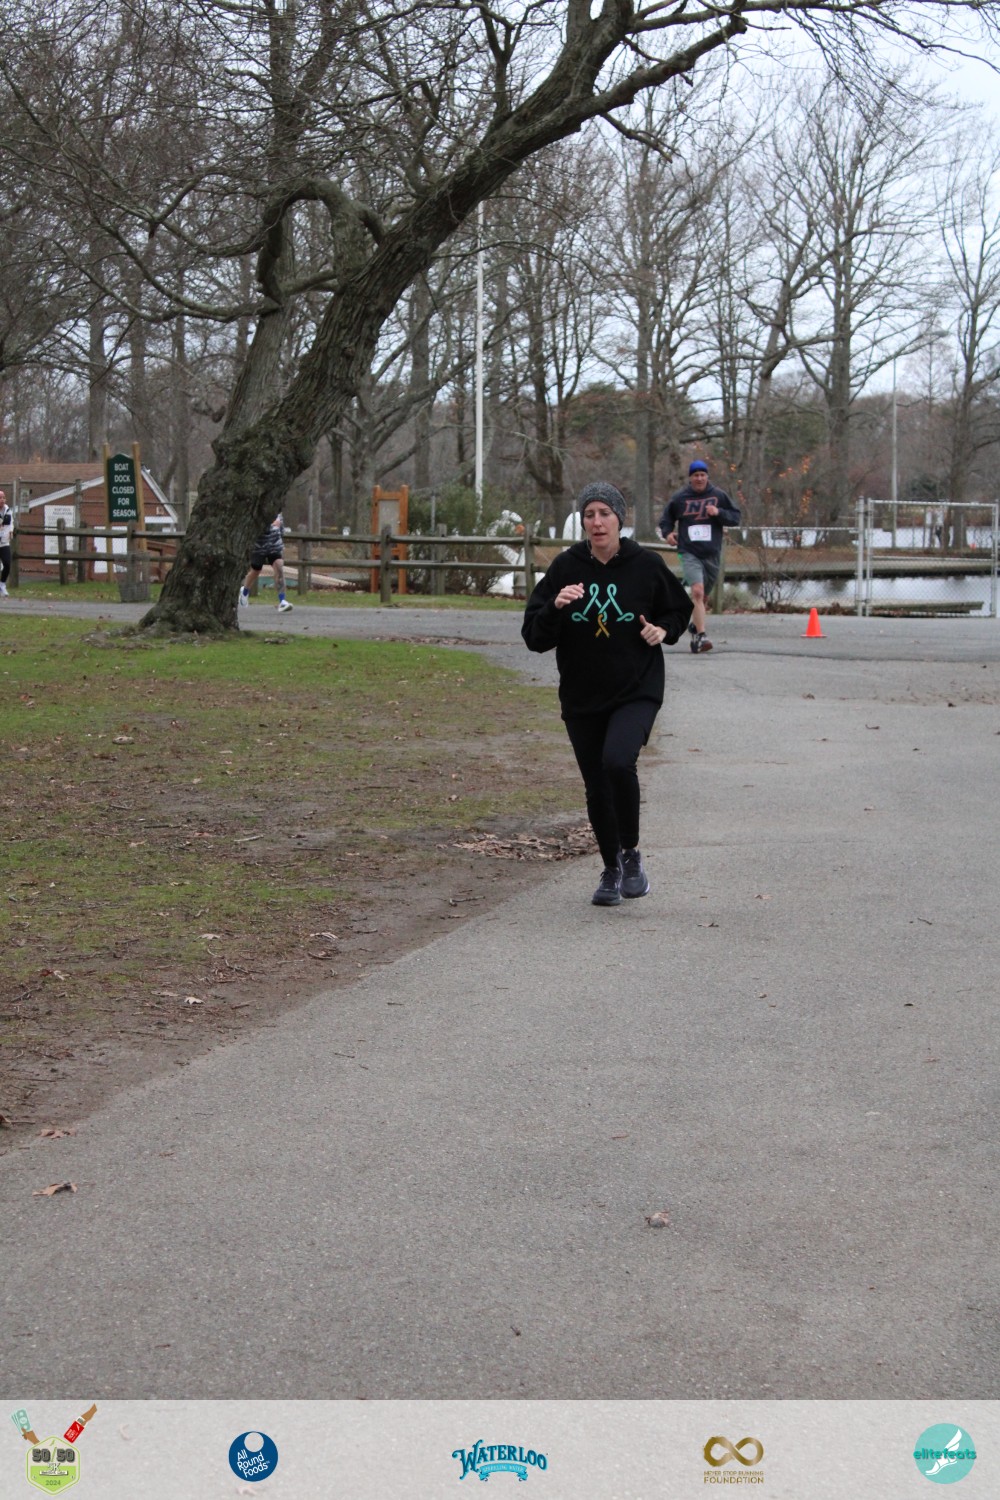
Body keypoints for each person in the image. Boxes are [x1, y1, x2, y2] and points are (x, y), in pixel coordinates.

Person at [522, 481, 692, 907]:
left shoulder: (645, 564)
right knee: (597, 786)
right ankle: (611, 868)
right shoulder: (566, 567)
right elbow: (534, 638)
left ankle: (631, 856)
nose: (597, 522)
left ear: (619, 518)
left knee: (617, 761)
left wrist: (663, 629)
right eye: (589, 514)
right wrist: (555, 607)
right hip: (582, 695)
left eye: (605, 514)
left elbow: (678, 609)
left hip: (636, 688)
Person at [658, 460, 741, 654]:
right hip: (689, 552)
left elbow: (736, 517)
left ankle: (695, 626)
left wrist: (718, 512)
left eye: (703, 475)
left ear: (707, 476)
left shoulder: (718, 495)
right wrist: (668, 533)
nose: (700, 478)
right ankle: (701, 637)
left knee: (703, 597)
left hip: (712, 553)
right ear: (690, 478)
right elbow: (666, 519)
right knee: (697, 591)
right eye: (696, 475)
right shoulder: (680, 498)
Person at [238, 513, 293, 611]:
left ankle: (282, 601)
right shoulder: (258, 511)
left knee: (279, 568)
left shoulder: (279, 514)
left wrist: (280, 541)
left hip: (275, 546)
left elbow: (281, 530)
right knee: (256, 571)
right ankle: (245, 591)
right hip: (259, 547)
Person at [0, 490, 13, 597]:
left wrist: (11, 531)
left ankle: (2, 584)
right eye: (0, 498)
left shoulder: (8, 510)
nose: (2, 500)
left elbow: (11, 523)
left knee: (7, 564)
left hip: (4, 542)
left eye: (3, 497)